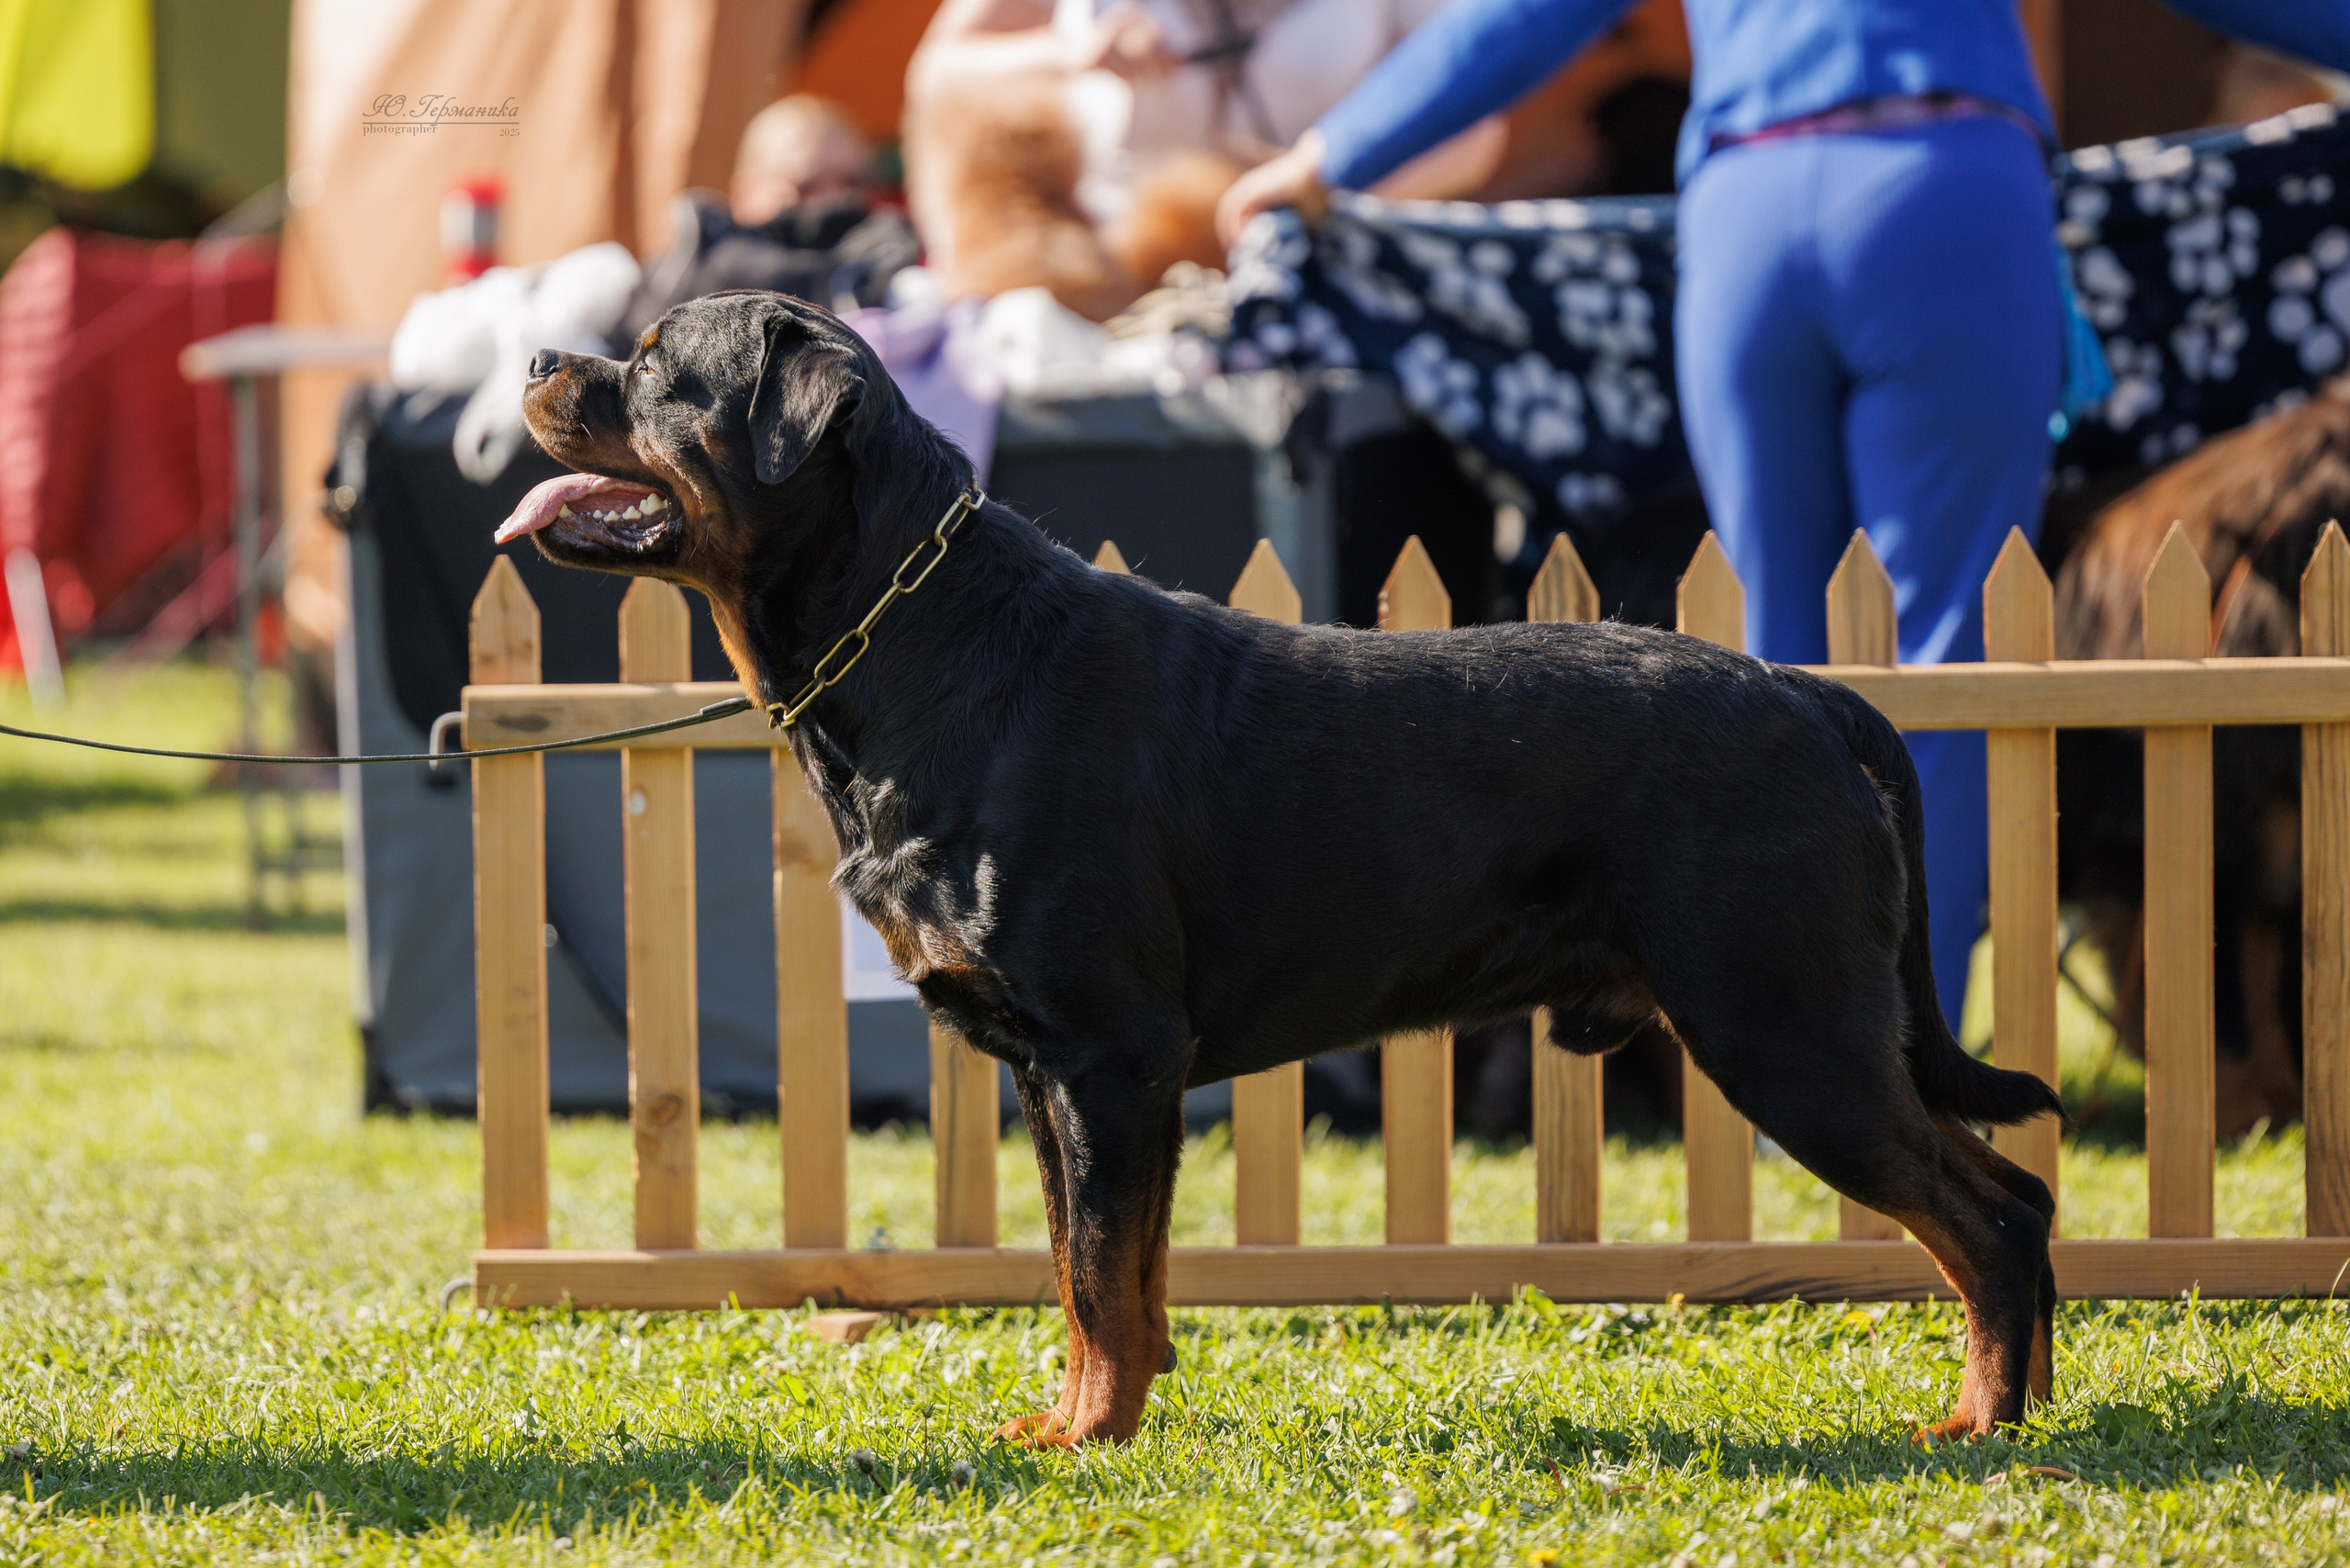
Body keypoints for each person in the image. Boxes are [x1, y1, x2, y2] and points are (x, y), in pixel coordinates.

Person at [1218, 0, 2350, 1028]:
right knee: (1947, 659)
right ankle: (1910, 1058)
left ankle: (1795, 1071)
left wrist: (1332, 151)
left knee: (1774, 673)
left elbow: (1527, 15)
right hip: (1943, 185)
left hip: (1747, 215)